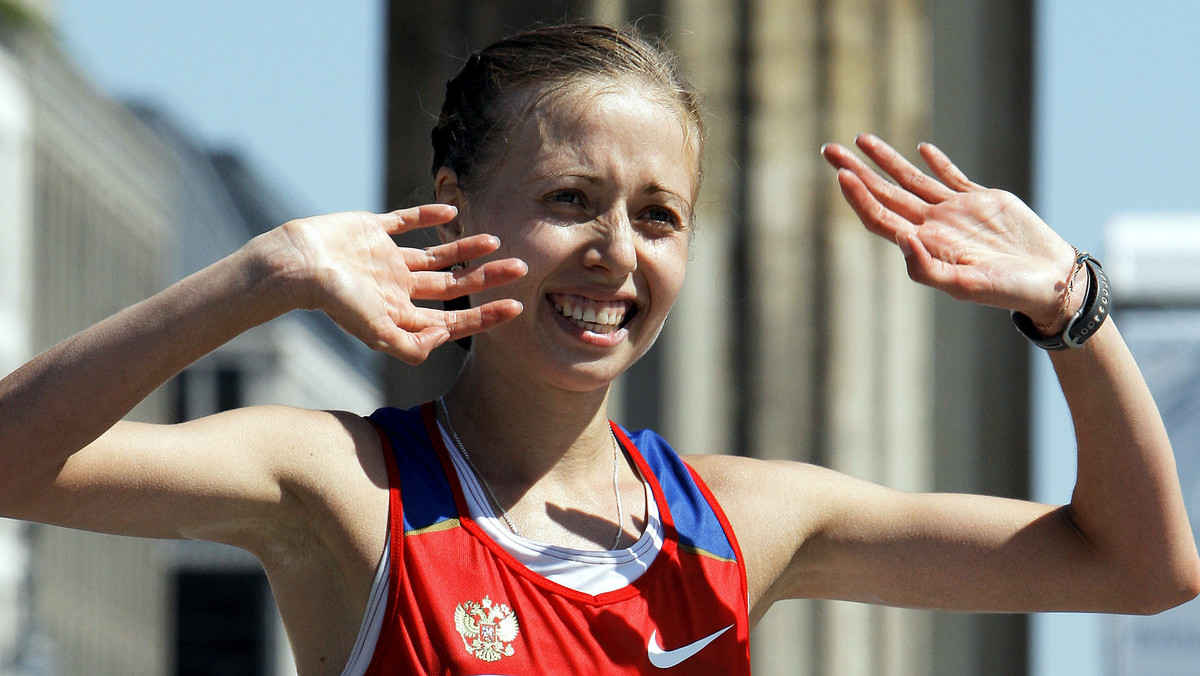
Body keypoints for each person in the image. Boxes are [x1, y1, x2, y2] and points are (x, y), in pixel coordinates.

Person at [1, 22, 1197, 675]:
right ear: (458, 205)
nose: (617, 254)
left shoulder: (743, 522)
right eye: (571, 199)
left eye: (658, 215)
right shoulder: (346, 492)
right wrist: (262, 276)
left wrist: (1070, 305)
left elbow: (1139, 569)